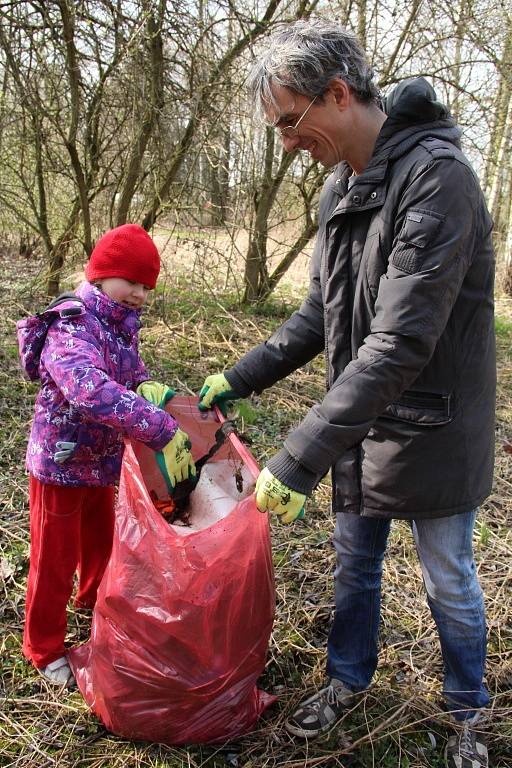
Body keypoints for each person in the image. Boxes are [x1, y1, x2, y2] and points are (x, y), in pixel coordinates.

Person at [198, 19, 495, 768]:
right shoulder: (342, 188)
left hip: (433, 427)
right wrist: (237, 377)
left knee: (449, 578)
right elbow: (319, 317)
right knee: (353, 566)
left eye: (291, 122)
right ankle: (345, 679)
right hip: (357, 425)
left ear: (338, 94)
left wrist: (298, 457)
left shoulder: (438, 178)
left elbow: (401, 341)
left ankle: (469, 711)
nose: (287, 143)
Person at [19, 223, 196, 688]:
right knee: (53, 558)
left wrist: (147, 387)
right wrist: (158, 427)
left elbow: (129, 377)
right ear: (100, 275)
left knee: (102, 542)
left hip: (100, 460)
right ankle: (42, 645)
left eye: (146, 286)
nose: (139, 293)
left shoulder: (118, 325)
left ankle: (97, 603)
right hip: (60, 461)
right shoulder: (71, 322)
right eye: (131, 281)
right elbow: (89, 389)